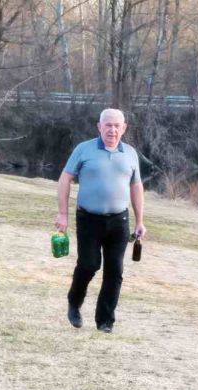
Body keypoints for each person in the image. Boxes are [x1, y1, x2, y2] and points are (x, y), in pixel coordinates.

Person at [54, 108, 146, 333]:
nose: (112, 130)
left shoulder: (131, 153)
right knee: (89, 264)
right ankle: (74, 303)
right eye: (108, 125)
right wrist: (63, 213)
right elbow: (65, 178)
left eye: (117, 126)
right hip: (88, 219)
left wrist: (140, 221)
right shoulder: (83, 149)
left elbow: (136, 186)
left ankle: (105, 321)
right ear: (99, 126)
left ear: (124, 128)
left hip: (119, 221)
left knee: (115, 271)